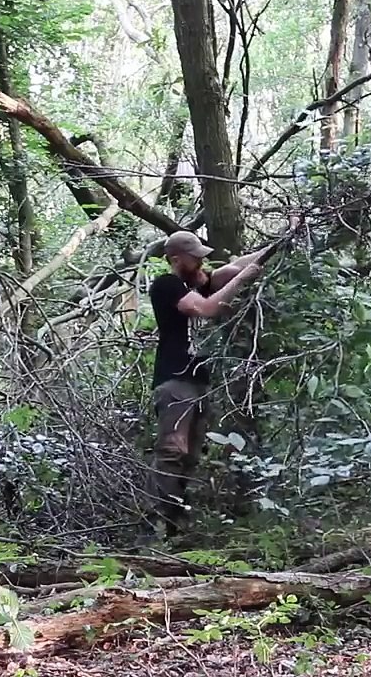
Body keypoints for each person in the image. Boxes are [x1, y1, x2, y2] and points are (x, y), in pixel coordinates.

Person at [140, 230, 272, 545]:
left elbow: (234, 267)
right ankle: (153, 527)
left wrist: (276, 246)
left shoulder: (198, 281)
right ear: (176, 260)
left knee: (191, 456)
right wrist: (242, 280)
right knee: (173, 451)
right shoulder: (167, 285)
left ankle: (177, 530)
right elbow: (205, 309)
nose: (202, 261)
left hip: (199, 384)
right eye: (195, 256)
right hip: (175, 381)